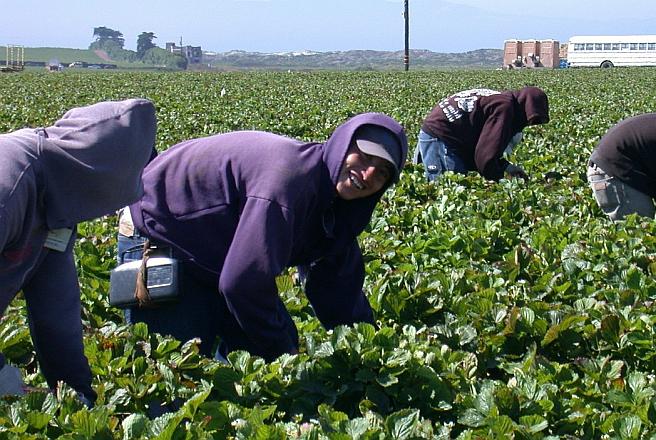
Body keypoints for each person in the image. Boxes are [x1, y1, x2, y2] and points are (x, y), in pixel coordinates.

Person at [116, 113, 408, 362]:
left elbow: (337, 287)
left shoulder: (338, 210)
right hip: (161, 226)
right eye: (364, 156)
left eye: (382, 173)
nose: (368, 173)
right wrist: (284, 350)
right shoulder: (288, 183)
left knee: (264, 350)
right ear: (341, 145)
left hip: (221, 249)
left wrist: (371, 350)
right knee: (179, 364)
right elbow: (242, 283)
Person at [0, 99, 157, 402]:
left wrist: (78, 395)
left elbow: (55, 312)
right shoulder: (10, 184)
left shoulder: (58, 199)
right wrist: (4, 380)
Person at [414, 86, 549, 181]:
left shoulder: (500, 99)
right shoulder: (505, 108)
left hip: (439, 133)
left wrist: (506, 167)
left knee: (450, 185)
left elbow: (482, 146)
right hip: (440, 136)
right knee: (449, 187)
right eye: (531, 120)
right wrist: (502, 179)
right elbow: (485, 156)